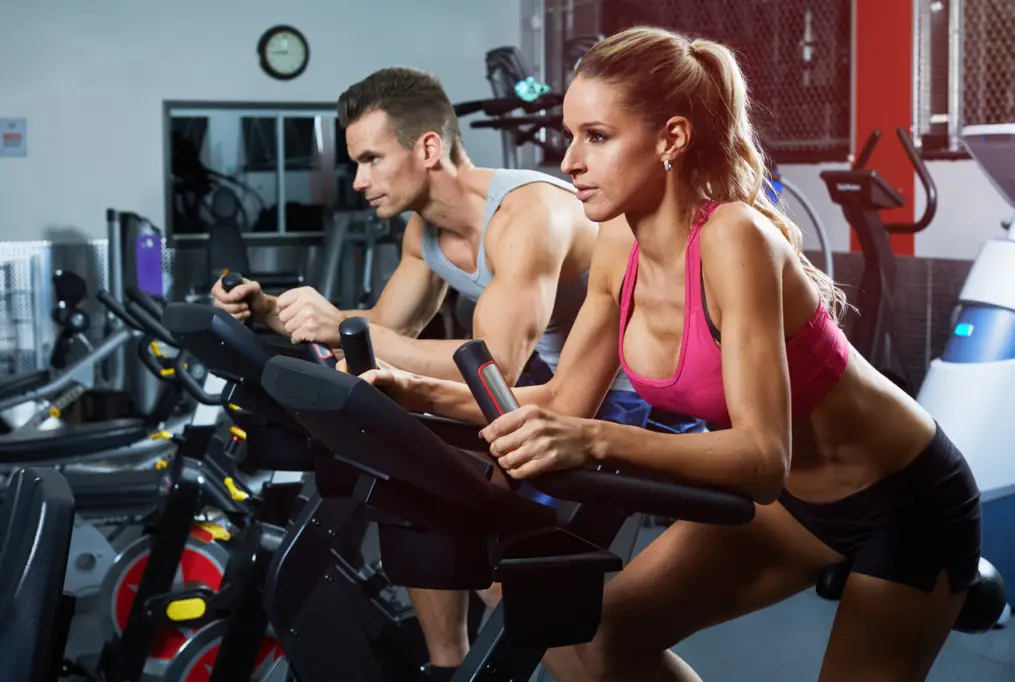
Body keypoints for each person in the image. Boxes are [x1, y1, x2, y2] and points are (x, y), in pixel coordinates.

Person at [354, 27, 983, 682]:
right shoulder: (615, 251)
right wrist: (410, 390)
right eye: (570, 137)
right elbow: (560, 404)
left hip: (904, 503)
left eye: (596, 137)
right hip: (795, 510)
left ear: (671, 140)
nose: (569, 161)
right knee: (589, 643)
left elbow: (763, 460)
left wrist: (595, 439)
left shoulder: (733, 238)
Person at [211, 65, 702, 681]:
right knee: (428, 495)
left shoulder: (528, 218)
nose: (359, 181)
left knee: (526, 581)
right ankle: (448, 665)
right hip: (552, 386)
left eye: (370, 159)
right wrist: (270, 313)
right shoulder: (426, 233)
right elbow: (388, 330)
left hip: (629, 397)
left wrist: (349, 331)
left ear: (428, 146)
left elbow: (493, 362)